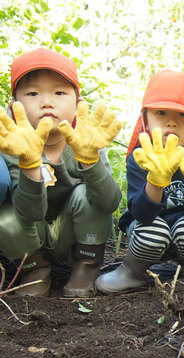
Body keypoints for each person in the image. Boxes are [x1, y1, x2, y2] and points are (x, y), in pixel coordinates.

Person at [95, 70, 184, 294]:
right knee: (154, 230)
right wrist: (156, 182)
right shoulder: (142, 157)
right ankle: (132, 271)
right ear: (145, 120)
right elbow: (141, 213)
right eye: (161, 112)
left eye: (183, 116)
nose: (171, 122)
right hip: (147, 227)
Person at [0, 47, 122, 297]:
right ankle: (35, 270)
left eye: (59, 92)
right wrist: (30, 164)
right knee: (6, 215)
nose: (46, 102)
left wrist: (90, 161)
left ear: (77, 105)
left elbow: (109, 202)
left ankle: (86, 266)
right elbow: (29, 211)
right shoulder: (13, 147)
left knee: (87, 193)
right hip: (32, 234)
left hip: (74, 233)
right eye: (32, 93)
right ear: (15, 107)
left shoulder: (85, 140)